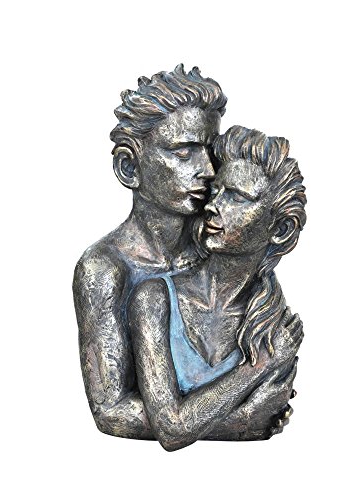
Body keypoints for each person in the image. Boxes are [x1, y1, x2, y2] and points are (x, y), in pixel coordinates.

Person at [129, 125, 307, 450]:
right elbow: (170, 429)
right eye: (216, 192)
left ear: (280, 229)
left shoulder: (272, 324)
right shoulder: (154, 299)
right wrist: (257, 375)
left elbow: (268, 413)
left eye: (237, 198)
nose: (213, 206)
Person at [73, 65, 227, 438]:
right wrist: (249, 418)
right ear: (129, 166)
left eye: (211, 151)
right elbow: (112, 411)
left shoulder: (223, 248)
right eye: (184, 152)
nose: (208, 170)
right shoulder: (104, 270)